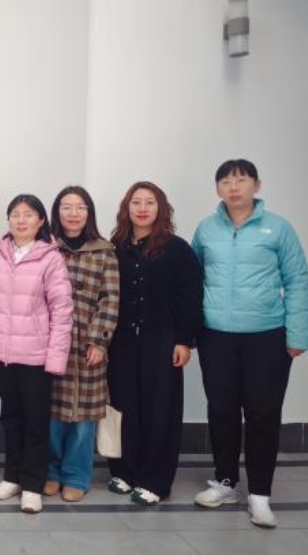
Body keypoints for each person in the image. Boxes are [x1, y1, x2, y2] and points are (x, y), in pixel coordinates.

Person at [191, 159, 308, 528]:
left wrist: (298, 334)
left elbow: (297, 279)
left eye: (241, 180)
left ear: (256, 185)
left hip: (267, 336)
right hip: (216, 336)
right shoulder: (206, 229)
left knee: (262, 413)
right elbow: (192, 280)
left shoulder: (278, 228)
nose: (234, 187)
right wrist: (190, 331)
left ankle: (260, 495)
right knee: (222, 410)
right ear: (217, 188)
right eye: (226, 181)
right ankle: (226, 482)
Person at [0, 194, 73, 514]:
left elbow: (62, 311)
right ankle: (12, 477)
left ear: (41, 221)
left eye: (28, 214)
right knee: (11, 417)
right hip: (1, 353)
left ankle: (32, 485)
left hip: (35, 355)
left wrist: (55, 357)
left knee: (35, 421)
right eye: (15, 214)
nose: (21, 220)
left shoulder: (50, 258)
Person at [106, 181, 203, 506]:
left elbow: (190, 296)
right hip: (121, 342)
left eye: (150, 202)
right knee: (124, 405)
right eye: (136, 202)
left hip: (162, 341)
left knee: (160, 409)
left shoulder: (177, 249)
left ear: (161, 208)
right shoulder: (115, 246)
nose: (142, 208)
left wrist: (184, 340)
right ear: (127, 208)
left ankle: (155, 480)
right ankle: (124, 470)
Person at [46, 186, 120, 502]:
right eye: (66, 207)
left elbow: (110, 298)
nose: (73, 214)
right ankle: (50, 472)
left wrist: (99, 340)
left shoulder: (104, 251)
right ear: (56, 212)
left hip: (88, 345)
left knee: (84, 416)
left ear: (89, 212)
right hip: (51, 342)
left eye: (80, 207)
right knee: (50, 413)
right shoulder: (46, 247)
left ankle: (76, 475)